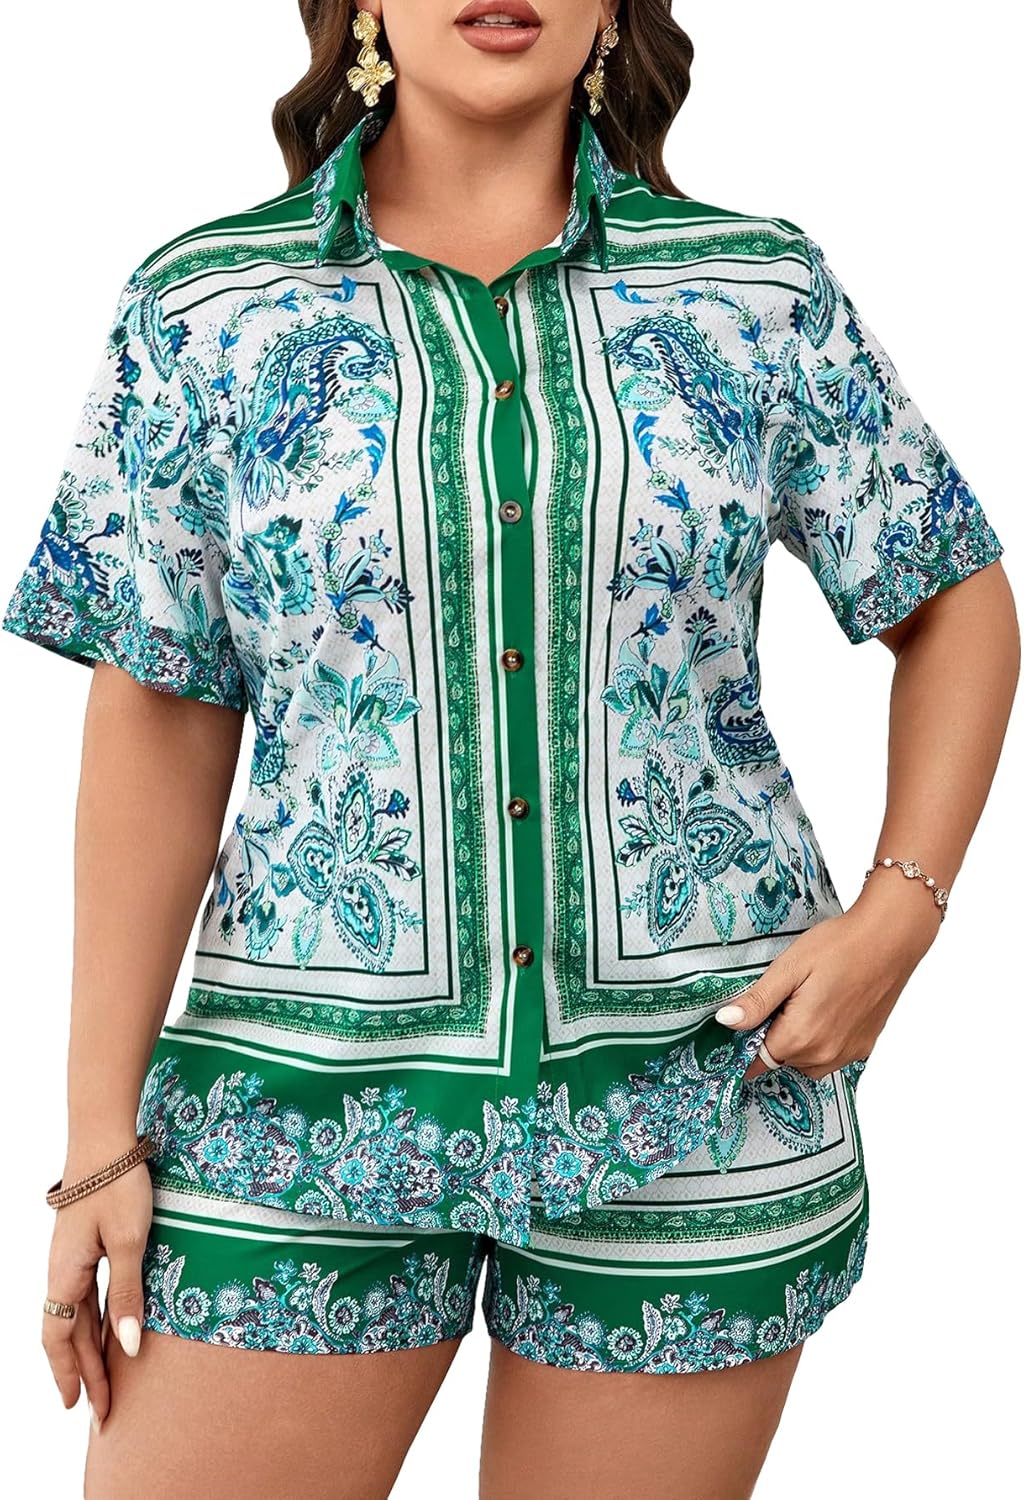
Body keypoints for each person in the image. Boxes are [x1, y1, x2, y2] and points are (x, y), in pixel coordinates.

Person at [4, 2, 1017, 1497]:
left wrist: (902, 910)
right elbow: (161, 707)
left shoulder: (755, 290)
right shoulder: (208, 307)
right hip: (298, 1111)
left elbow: (954, 597)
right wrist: (98, 1137)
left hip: (701, 1094)